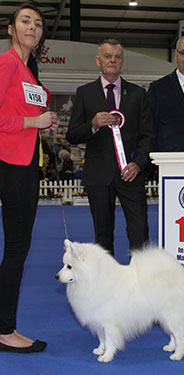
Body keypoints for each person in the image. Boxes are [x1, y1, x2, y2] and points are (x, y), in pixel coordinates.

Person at [0, 3, 59, 352]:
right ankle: (5, 330)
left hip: (23, 162)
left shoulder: (28, 68)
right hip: (11, 164)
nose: (32, 27)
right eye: (25, 21)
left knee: (17, 248)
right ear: (10, 28)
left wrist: (43, 121)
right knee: (17, 248)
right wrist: (31, 123)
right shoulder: (7, 63)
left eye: (38, 24)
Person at [66, 39, 155, 257]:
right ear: (98, 60)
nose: (112, 60)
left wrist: (138, 163)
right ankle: (106, 284)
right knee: (103, 235)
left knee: (139, 231)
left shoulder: (138, 94)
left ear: (122, 61)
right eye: (107, 56)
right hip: (98, 174)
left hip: (131, 173)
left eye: (117, 56)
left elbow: (149, 136)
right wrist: (93, 125)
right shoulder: (85, 93)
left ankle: (140, 280)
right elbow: (72, 135)